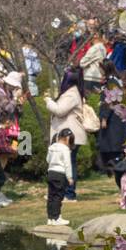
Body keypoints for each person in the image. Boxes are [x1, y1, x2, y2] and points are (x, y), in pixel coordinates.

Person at [44, 67, 88, 200]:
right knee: (67, 162)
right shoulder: (74, 92)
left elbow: (59, 110)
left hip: (70, 135)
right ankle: (63, 192)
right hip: (69, 134)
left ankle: (69, 194)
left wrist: (48, 101)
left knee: (68, 163)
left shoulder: (72, 94)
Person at [46, 128, 75, 226]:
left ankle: (50, 218)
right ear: (67, 138)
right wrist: (70, 177)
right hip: (60, 174)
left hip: (51, 173)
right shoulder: (65, 149)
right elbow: (67, 164)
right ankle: (57, 217)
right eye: (70, 140)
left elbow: (47, 160)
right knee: (58, 196)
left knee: (51, 196)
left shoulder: (51, 147)